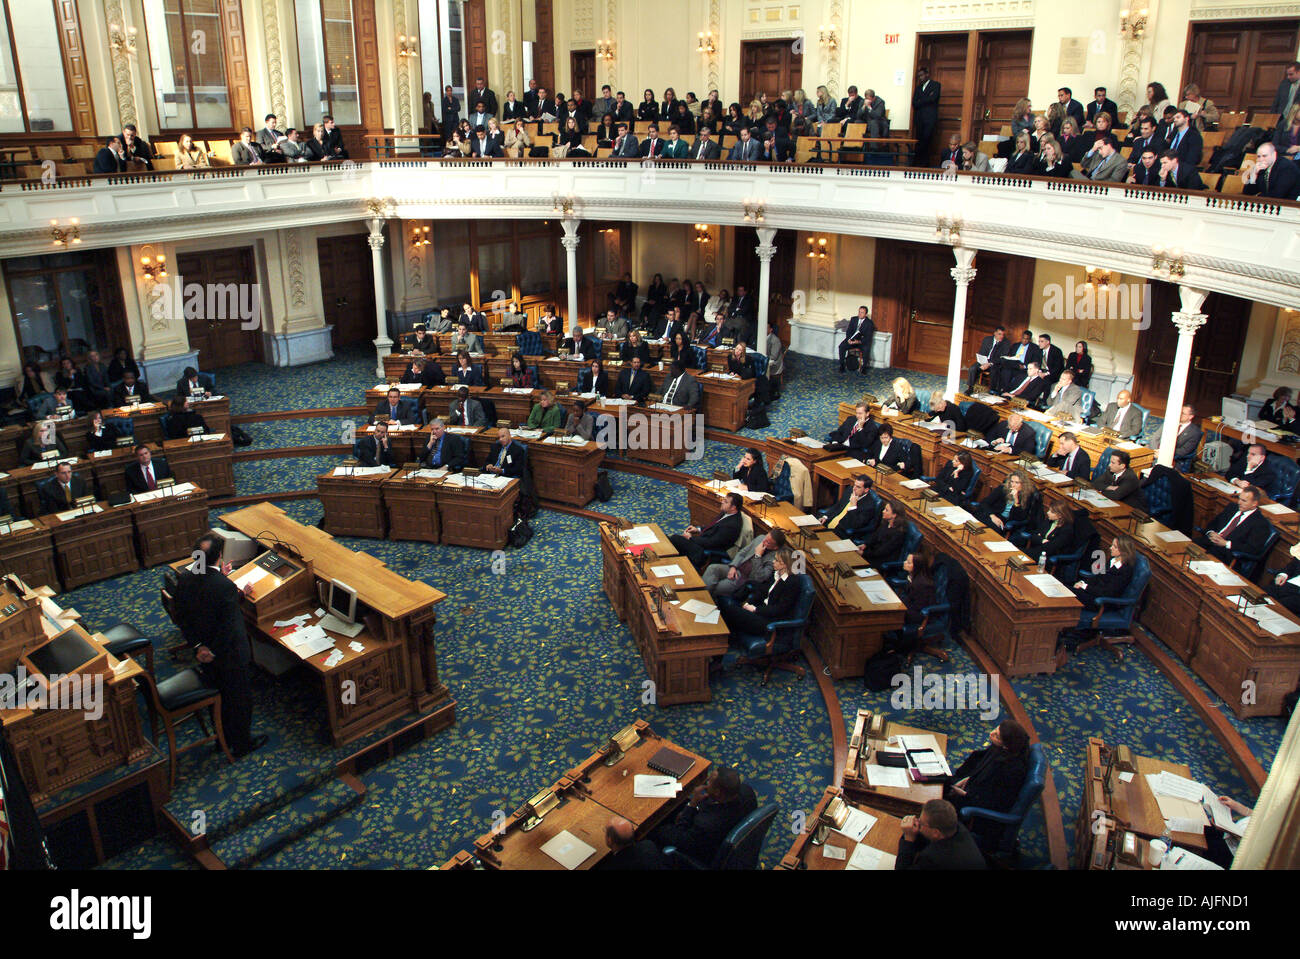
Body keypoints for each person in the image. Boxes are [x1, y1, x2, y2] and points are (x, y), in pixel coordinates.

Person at [171, 534, 266, 758]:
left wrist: (199, 647)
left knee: (220, 698)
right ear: (220, 556)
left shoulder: (186, 577)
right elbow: (229, 627)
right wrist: (212, 650)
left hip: (203, 653)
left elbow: (182, 616)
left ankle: (220, 737)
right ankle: (242, 744)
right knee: (239, 699)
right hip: (229, 655)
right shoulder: (223, 586)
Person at [946, 721, 1032, 847]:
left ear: (1006, 746)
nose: (991, 734)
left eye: (996, 736)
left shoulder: (1011, 771)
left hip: (981, 815)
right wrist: (968, 779)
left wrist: (965, 794)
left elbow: (996, 802)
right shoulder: (1001, 750)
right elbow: (979, 768)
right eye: (995, 730)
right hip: (971, 791)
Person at [651, 766, 757, 864]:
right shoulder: (747, 792)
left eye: (710, 781)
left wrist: (692, 804)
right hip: (728, 830)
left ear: (717, 792)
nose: (706, 782)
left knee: (657, 830)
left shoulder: (706, 824)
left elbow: (681, 836)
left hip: (706, 851)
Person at [719, 547, 800, 636]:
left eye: (776, 560)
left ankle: (724, 640)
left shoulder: (792, 583)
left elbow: (779, 609)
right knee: (727, 606)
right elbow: (763, 591)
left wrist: (755, 609)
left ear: (784, 564)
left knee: (730, 610)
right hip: (762, 611)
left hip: (769, 621)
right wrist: (748, 604)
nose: (773, 562)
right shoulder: (776, 574)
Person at [896, 798, 986, 870]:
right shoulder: (956, 827)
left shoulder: (933, 858)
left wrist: (908, 838)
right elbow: (925, 838)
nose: (918, 822)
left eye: (921, 823)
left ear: (936, 832)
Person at [703, 528, 787, 600]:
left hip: (744, 578)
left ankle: (704, 600)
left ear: (775, 547)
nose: (764, 542)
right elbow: (742, 553)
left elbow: (760, 577)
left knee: (716, 588)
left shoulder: (776, 558)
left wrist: (758, 556)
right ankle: (703, 598)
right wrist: (733, 567)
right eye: (766, 538)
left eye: (768, 542)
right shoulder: (761, 538)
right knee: (712, 568)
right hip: (737, 568)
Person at [669, 492, 744, 570]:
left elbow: (713, 542)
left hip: (703, 552)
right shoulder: (726, 513)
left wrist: (690, 538)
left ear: (733, 507)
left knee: (675, 539)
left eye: (725, 501)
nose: (722, 502)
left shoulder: (731, 525)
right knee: (673, 540)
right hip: (703, 542)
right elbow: (712, 526)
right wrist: (698, 529)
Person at [1198, 486, 1271, 564]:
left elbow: (1252, 548)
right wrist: (1211, 533)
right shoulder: (1232, 507)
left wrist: (1226, 543)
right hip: (1207, 542)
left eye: (1244, 501)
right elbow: (1213, 523)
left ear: (1254, 504)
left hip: (1225, 554)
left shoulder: (1260, 523)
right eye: (1239, 498)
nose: (1239, 502)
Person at [974, 469, 1036, 535]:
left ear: (1023, 484)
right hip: (990, 514)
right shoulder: (1002, 489)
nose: (1013, 485)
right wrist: (993, 516)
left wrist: (1016, 500)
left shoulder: (1028, 496)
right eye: (1012, 482)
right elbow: (984, 503)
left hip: (1003, 520)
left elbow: (1020, 517)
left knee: (990, 532)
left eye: (1017, 483)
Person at [857, 500, 907, 566]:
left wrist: (864, 554)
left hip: (880, 560)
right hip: (872, 553)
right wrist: (865, 545)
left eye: (886, 510)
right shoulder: (886, 523)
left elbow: (882, 551)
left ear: (894, 515)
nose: (883, 511)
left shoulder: (898, 533)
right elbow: (875, 536)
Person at [966, 326, 1010, 393]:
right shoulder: (987, 339)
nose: (1001, 336)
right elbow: (981, 352)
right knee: (973, 368)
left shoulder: (1006, 343)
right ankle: (970, 388)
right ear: (995, 333)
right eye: (999, 334)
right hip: (984, 361)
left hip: (994, 364)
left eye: (1003, 334)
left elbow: (1002, 358)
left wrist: (989, 364)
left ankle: (992, 391)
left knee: (994, 371)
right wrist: (983, 363)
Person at [911, 68, 941, 166]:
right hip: (919, 118)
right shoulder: (918, 88)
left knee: (927, 140)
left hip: (930, 118)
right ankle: (917, 162)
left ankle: (925, 163)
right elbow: (915, 103)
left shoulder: (935, 85)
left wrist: (921, 100)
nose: (920, 78)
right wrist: (926, 99)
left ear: (927, 74)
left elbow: (933, 99)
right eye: (919, 76)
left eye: (922, 75)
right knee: (919, 140)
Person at [1266, 544, 1300, 615]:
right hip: (1287, 585)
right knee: (1260, 594)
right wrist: (1283, 574)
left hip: (1297, 595)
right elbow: (1293, 565)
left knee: (1275, 608)